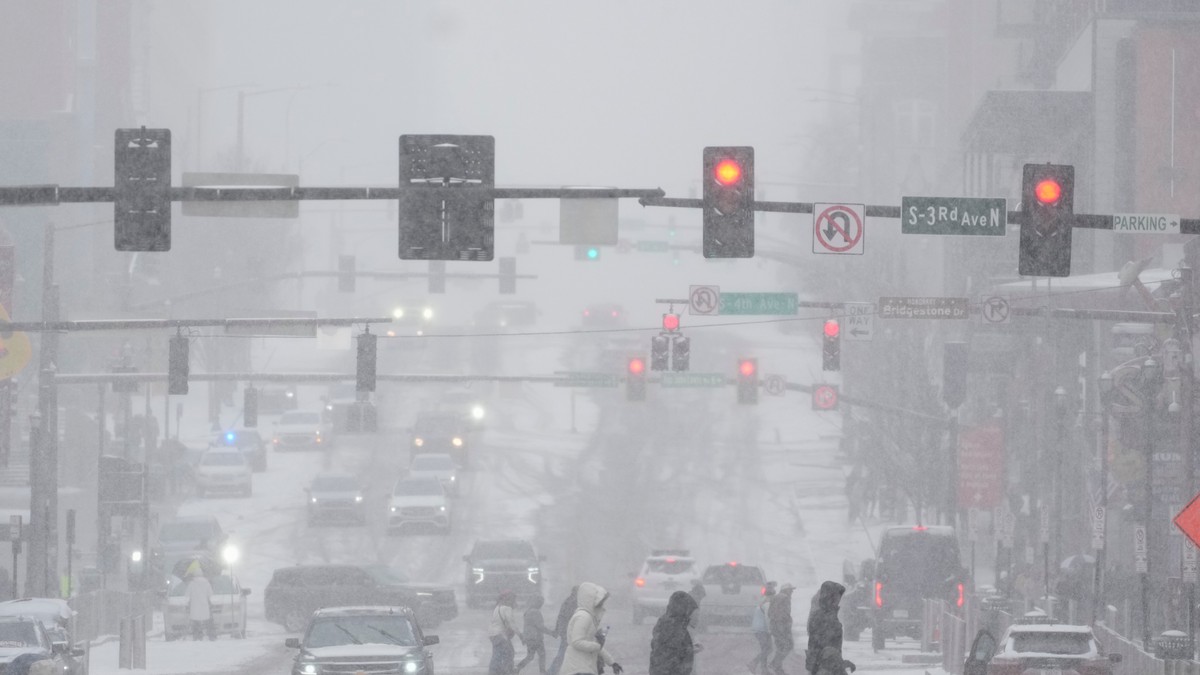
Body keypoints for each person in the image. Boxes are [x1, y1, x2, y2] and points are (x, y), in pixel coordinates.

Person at [560, 581, 622, 675]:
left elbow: (593, 644)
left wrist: (611, 662)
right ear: (590, 600)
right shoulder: (583, 617)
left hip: (583, 667)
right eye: (599, 603)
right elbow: (577, 642)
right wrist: (598, 645)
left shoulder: (587, 616)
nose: (602, 606)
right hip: (577, 668)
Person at [649, 590, 699, 675]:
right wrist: (687, 650)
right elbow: (669, 654)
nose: (692, 615)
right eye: (690, 611)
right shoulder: (672, 625)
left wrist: (689, 649)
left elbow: (669, 648)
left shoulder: (674, 623)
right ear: (683, 609)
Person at [804, 581, 846, 675]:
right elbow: (821, 646)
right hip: (826, 667)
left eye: (839, 597)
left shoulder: (829, 614)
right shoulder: (822, 617)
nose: (838, 600)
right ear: (828, 597)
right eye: (835, 596)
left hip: (829, 665)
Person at [517, 596, 555, 674]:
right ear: (537, 603)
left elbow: (528, 626)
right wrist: (551, 633)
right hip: (536, 638)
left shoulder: (528, 611)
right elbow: (540, 626)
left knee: (530, 656)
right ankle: (542, 671)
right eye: (540, 602)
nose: (541, 604)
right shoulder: (535, 612)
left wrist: (524, 637)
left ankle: (517, 668)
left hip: (529, 637)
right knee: (542, 655)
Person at [547, 586, 578, 675]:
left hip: (565, 631)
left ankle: (553, 671)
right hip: (568, 632)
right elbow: (567, 617)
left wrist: (557, 630)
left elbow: (560, 616)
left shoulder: (567, 601)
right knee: (563, 653)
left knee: (564, 652)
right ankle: (552, 672)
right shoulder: (572, 602)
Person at [747, 582, 776, 674]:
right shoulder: (767, 603)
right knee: (768, 649)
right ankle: (753, 663)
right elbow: (768, 617)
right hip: (762, 629)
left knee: (765, 649)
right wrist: (770, 630)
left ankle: (764, 669)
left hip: (759, 629)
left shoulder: (763, 601)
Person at [768, 583, 796, 675]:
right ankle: (775, 664)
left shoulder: (775, 597)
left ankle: (778, 667)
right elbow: (784, 614)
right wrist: (783, 627)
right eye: (791, 590)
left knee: (781, 646)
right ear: (786, 590)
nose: (792, 592)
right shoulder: (785, 598)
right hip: (781, 627)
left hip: (775, 626)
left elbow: (770, 612)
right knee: (788, 645)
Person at [489, 590, 518, 675]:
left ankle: (497, 670)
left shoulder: (498, 607)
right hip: (500, 635)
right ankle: (506, 670)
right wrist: (520, 635)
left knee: (499, 653)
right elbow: (511, 623)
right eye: (513, 599)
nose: (514, 601)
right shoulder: (506, 608)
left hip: (495, 634)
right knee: (507, 653)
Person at [184, 563, 216, 641]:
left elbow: (186, 595)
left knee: (196, 622)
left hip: (194, 607)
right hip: (204, 606)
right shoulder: (207, 583)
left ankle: (197, 636)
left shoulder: (191, 584)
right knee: (207, 621)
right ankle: (211, 636)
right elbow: (210, 594)